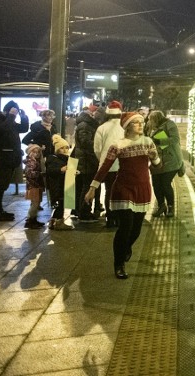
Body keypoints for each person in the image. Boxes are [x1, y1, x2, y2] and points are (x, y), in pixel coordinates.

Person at [85, 112, 160, 279]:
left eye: (142, 122)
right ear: (127, 126)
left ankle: (126, 247)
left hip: (143, 188)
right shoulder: (118, 145)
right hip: (123, 188)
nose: (141, 125)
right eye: (136, 123)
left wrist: (155, 159)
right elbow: (104, 167)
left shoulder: (148, 142)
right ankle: (119, 264)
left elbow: (156, 164)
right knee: (125, 227)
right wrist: (93, 188)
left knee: (136, 230)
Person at [0, 101, 29, 221]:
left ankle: (0, 211)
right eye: (13, 112)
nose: (14, 115)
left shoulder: (10, 121)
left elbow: (23, 128)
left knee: (3, 186)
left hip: (11, 159)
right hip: (2, 159)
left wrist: (24, 117)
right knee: (0, 186)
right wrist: (11, 116)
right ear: (7, 111)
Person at [146, 110, 183, 217]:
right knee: (156, 184)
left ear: (156, 119)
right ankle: (161, 206)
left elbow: (175, 139)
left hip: (171, 160)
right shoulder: (152, 128)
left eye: (151, 120)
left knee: (165, 184)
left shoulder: (170, 125)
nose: (149, 122)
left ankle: (171, 207)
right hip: (157, 160)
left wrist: (159, 141)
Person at [94, 100, 124, 228]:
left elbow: (97, 149)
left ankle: (110, 218)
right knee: (122, 192)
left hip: (107, 167)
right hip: (123, 166)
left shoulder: (101, 128)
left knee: (109, 191)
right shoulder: (125, 127)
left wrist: (103, 160)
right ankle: (120, 217)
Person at [73, 104, 100, 223]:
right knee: (87, 186)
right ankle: (84, 213)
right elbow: (86, 143)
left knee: (85, 185)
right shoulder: (85, 125)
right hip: (86, 160)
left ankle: (82, 210)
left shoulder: (85, 124)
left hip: (84, 159)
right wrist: (96, 150)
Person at [45, 134, 74, 230]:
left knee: (62, 204)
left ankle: (54, 222)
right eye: (62, 148)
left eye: (66, 148)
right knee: (59, 204)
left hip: (64, 185)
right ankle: (58, 222)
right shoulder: (53, 159)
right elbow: (50, 171)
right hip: (57, 186)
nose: (65, 150)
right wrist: (60, 169)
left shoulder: (66, 158)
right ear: (57, 149)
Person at [23, 143, 46, 229]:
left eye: (38, 152)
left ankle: (33, 219)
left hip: (36, 185)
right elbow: (30, 173)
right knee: (35, 204)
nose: (36, 154)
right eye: (34, 152)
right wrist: (39, 174)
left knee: (36, 203)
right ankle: (30, 220)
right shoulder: (31, 162)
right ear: (29, 152)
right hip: (33, 185)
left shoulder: (35, 161)